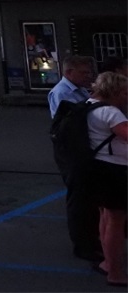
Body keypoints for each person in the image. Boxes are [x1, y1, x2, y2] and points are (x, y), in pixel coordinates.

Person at [49, 54, 101, 263]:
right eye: (83, 72)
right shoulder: (62, 93)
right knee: (79, 199)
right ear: (69, 72)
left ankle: (93, 239)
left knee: (90, 197)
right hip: (71, 150)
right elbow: (71, 122)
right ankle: (83, 245)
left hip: (84, 147)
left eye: (89, 72)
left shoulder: (81, 90)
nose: (88, 76)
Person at [85, 72, 127, 285]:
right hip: (115, 170)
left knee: (106, 216)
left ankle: (108, 263)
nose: (126, 97)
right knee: (116, 221)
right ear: (114, 91)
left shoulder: (89, 105)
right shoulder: (111, 113)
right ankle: (115, 273)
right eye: (124, 93)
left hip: (98, 167)